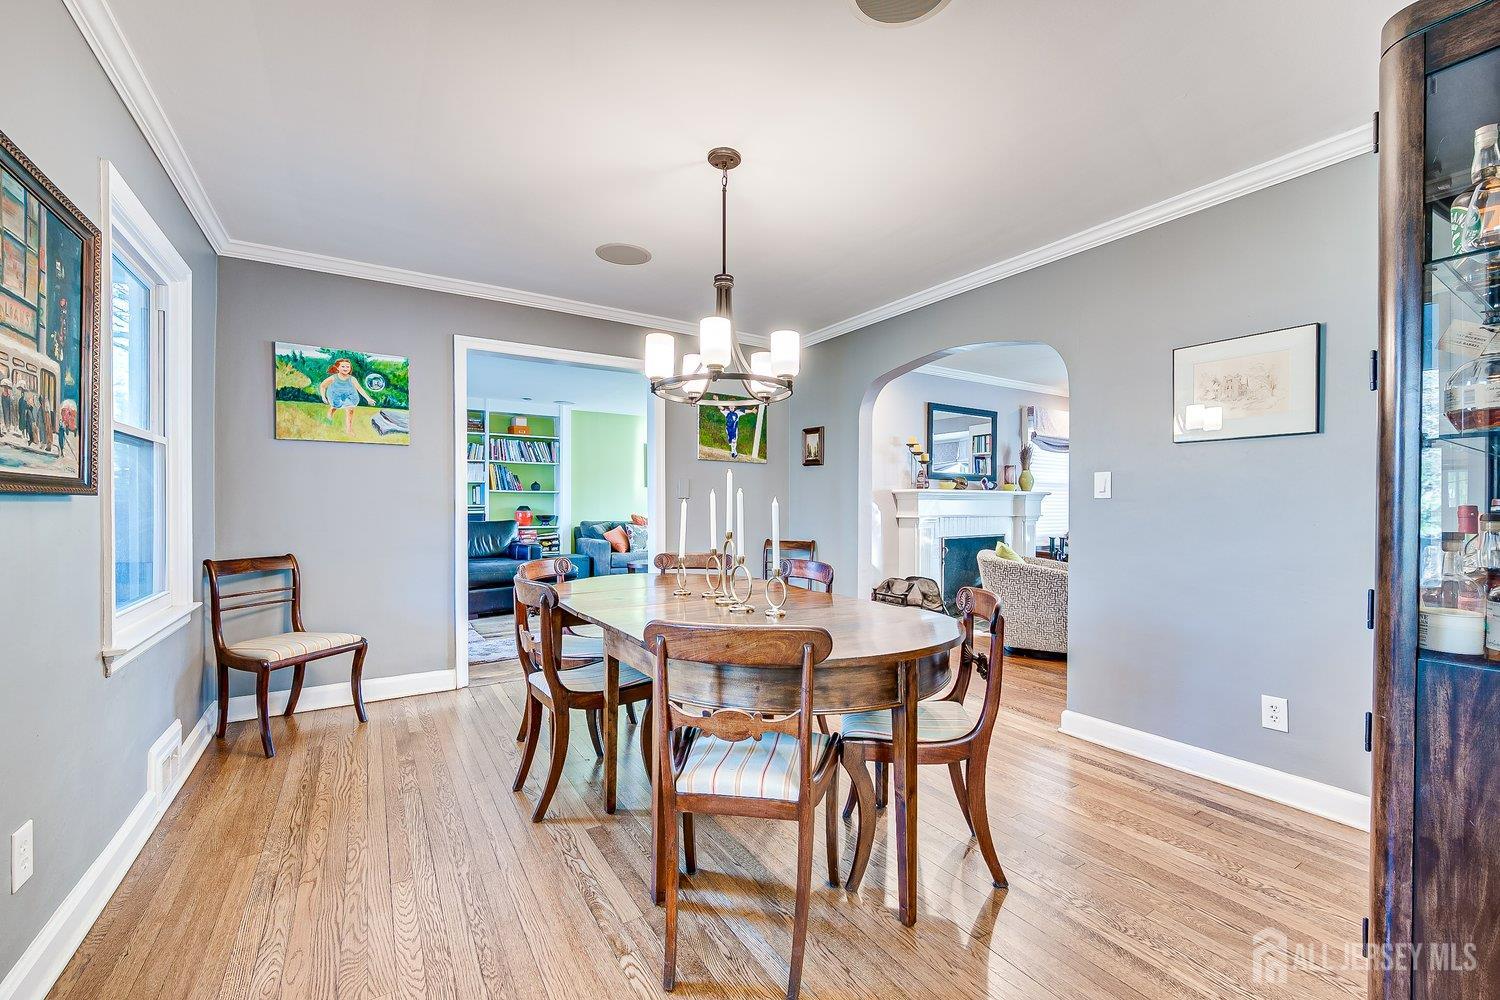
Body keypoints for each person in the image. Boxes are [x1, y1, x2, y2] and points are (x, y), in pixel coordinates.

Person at [318, 357, 377, 435]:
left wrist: (368, 399)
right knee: (335, 406)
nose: (345, 368)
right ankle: (330, 412)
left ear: (350, 368)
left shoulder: (352, 379)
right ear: (337, 368)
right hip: (335, 395)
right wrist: (323, 397)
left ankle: (349, 430)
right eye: (343, 366)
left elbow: (359, 388)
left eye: (347, 366)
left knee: (350, 410)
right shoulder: (333, 378)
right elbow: (323, 386)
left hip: (349, 396)